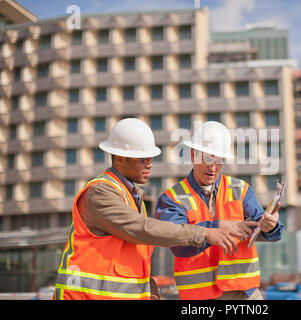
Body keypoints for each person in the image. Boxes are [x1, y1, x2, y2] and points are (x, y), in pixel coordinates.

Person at [53, 118, 243, 300]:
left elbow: (133, 253)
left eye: (150, 159)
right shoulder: (100, 192)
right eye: (142, 160)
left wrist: (148, 287)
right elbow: (141, 229)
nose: (149, 165)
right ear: (120, 158)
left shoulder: (132, 196)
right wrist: (204, 233)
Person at [155, 121, 284, 300]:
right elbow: (176, 243)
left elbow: (262, 227)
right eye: (208, 159)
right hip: (200, 298)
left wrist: (270, 226)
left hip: (245, 293)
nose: (213, 168)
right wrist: (216, 227)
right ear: (193, 155)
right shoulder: (171, 199)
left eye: (220, 160)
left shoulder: (241, 189)